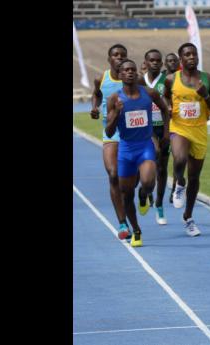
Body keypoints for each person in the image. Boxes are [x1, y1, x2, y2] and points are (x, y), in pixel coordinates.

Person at [106, 59, 170, 247]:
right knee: (126, 195)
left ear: (137, 73)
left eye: (133, 69)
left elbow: (165, 109)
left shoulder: (149, 93)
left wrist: (165, 132)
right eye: (126, 70)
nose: (130, 72)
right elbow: (109, 132)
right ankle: (136, 230)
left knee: (149, 182)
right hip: (126, 149)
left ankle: (144, 194)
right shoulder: (114, 99)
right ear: (120, 75)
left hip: (145, 145)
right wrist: (116, 113)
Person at [164, 43, 210, 236]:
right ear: (181, 59)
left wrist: (205, 95)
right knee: (179, 159)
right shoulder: (171, 79)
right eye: (187, 54)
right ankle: (179, 183)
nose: (191, 57)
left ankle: (188, 217)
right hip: (179, 127)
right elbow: (164, 98)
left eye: (194, 54)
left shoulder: (208, 79)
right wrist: (168, 108)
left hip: (199, 131)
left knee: (195, 177)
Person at [90, 43, 130, 240]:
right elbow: (96, 94)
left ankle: (143, 194)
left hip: (131, 132)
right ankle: (122, 223)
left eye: (123, 55)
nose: (120, 57)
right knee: (113, 174)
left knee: (132, 180)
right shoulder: (101, 78)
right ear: (109, 59)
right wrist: (95, 108)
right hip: (111, 132)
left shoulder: (132, 79)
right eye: (116, 55)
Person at [138, 49, 170, 225]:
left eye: (158, 60)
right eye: (152, 60)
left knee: (163, 168)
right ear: (146, 61)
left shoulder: (167, 81)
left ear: (162, 63)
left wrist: (167, 131)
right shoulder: (139, 81)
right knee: (154, 154)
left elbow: (171, 103)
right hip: (146, 128)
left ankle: (159, 204)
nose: (155, 63)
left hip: (163, 126)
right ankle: (145, 192)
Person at [162, 53, 181, 204]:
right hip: (161, 125)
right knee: (160, 162)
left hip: (178, 124)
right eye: (169, 61)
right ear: (165, 63)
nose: (172, 63)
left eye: (174, 61)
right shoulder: (162, 79)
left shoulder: (183, 77)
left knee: (177, 159)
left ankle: (175, 188)